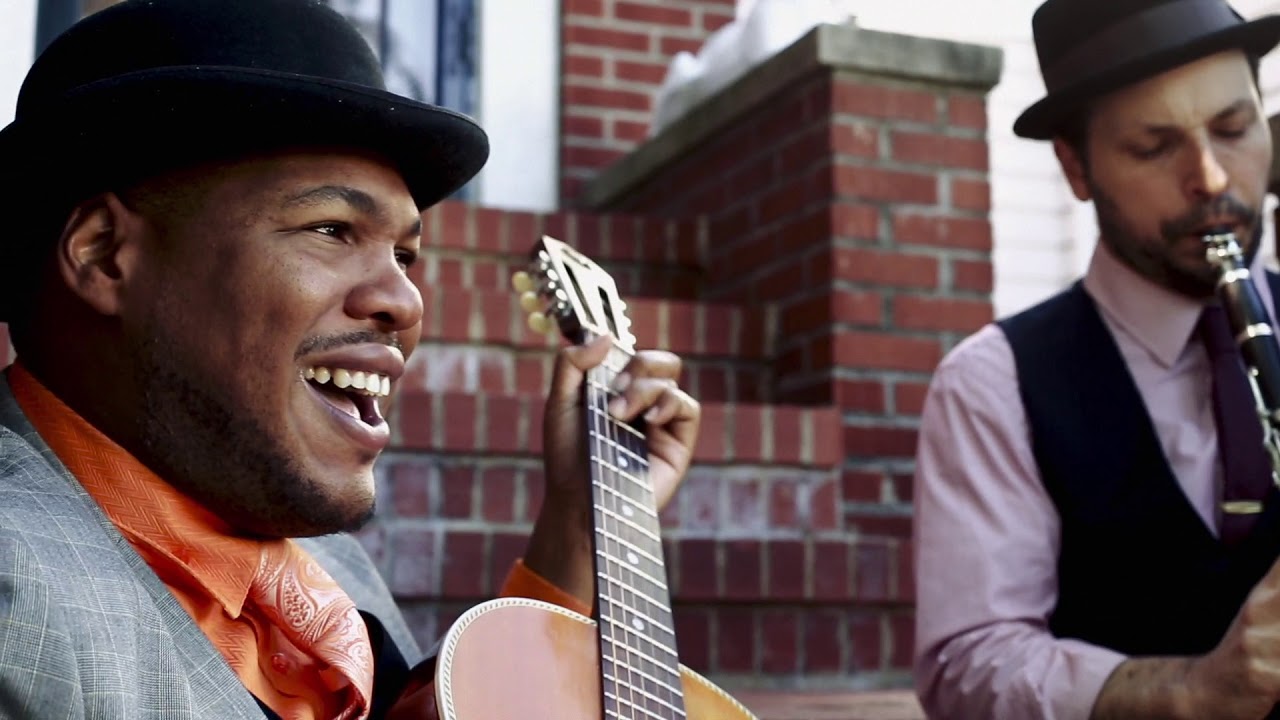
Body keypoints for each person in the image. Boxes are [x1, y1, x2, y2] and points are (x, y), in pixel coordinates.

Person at [0, 1, 702, 719]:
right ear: (103, 254)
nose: (404, 300)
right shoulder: (19, 605)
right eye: (332, 229)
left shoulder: (314, 559)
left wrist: (579, 531)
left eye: (405, 255)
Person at [911, 0, 1280, 718]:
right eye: (1153, 146)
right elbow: (968, 665)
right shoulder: (993, 382)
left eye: (1234, 129)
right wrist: (1195, 692)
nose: (1209, 178)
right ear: (1076, 169)